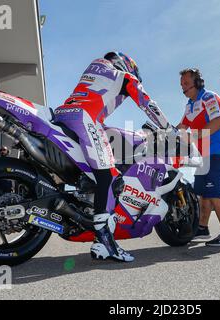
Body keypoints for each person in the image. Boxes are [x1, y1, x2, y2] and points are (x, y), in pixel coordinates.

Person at [53, 52, 172, 262]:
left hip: (63, 115)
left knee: (92, 173)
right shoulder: (125, 77)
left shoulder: (93, 70)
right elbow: (147, 103)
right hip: (84, 118)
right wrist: (168, 128)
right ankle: (105, 242)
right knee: (109, 177)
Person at [176, 68, 220, 246]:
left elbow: (218, 122)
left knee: (215, 194)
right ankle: (202, 228)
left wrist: (193, 136)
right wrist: (167, 134)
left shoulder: (209, 97)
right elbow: (182, 126)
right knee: (203, 193)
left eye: (186, 83)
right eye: (181, 84)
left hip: (217, 153)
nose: (183, 88)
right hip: (203, 157)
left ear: (198, 83)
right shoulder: (189, 104)